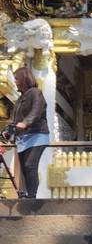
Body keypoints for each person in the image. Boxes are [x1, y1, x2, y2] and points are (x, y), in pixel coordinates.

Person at [2, 67, 49, 198]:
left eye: (16, 78)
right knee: (24, 168)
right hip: (23, 137)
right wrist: (7, 131)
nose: (15, 82)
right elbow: (15, 120)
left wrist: (25, 123)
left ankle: (32, 197)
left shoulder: (36, 93)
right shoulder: (20, 99)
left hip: (38, 135)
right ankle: (27, 194)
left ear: (24, 78)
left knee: (30, 165)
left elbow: (36, 111)